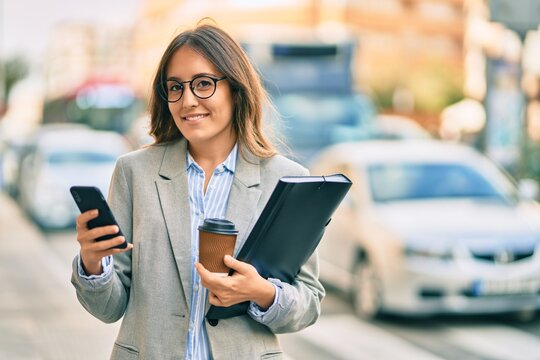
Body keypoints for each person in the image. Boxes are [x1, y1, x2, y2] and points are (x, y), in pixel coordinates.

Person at [71, 23, 324, 359]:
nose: (187, 100)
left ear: (235, 88)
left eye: (203, 84)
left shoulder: (286, 178)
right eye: (175, 87)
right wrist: (93, 264)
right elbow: (109, 308)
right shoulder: (135, 172)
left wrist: (261, 292)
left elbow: (308, 301)